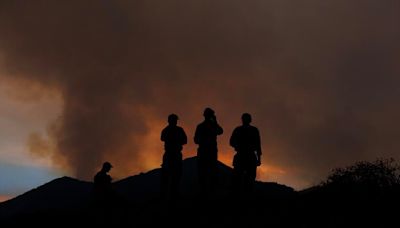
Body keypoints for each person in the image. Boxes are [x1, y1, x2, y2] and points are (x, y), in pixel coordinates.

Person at [230, 113, 262, 194]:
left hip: (243, 156)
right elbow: (258, 146)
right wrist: (259, 159)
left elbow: (231, 142)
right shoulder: (254, 130)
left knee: (242, 180)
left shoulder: (239, 129)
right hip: (247, 157)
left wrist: (237, 146)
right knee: (246, 180)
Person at [194, 107, 223, 195]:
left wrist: (215, 123)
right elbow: (196, 140)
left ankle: (206, 192)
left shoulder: (202, 126)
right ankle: (207, 192)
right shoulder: (205, 126)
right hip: (208, 151)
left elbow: (220, 131)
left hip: (207, 151)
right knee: (207, 172)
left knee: (205, 172)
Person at [160, 114, 187, 200]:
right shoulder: (178, 130)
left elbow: (184, 140)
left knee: (174, 176)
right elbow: (184, 140)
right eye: (174, 120)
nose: (175, 122)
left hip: (172, 155)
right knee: (172, 176)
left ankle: (171, 195)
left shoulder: (167, 130)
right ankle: (170, 195)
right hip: (172, 155)